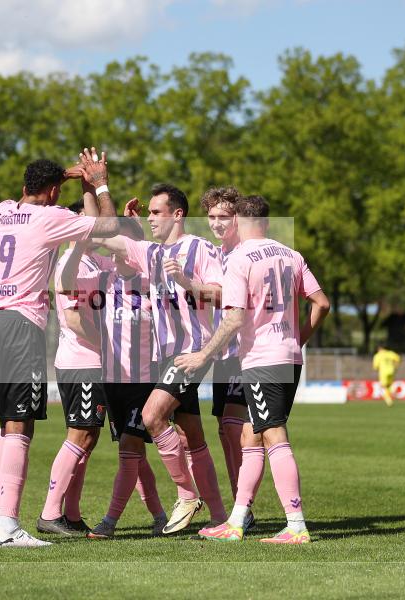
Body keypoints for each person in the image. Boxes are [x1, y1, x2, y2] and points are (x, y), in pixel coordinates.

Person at [0, 148, 119, 548]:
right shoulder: (50, 217)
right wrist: (98, 182)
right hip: (21, 324)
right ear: (55, 192)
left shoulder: (2, 209)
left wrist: (70, 177)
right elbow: (106, 226)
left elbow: (37, 191)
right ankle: (7, 527)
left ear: (25, 187)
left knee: (7, 426)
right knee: (21, 425)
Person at [176, 195, 330, 544]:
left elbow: (234, 317)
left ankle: (295, 525)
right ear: (266, 222)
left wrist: (203, 355)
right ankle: (236, 521)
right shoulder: (292, 254)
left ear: (240, 223)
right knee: (252, 435)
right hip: (288, 357)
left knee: (274, 433)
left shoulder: (240, 258)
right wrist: (298, 338)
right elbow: (322, 303)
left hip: (261, 360)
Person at [96, 184, 227, 535]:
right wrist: (98, 187)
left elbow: (222, 295)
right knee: (192, 436)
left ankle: (186, 495)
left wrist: (185, 280)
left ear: (178, 214)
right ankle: (218, 517)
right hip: (164, 354)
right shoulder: (150, 253)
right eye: (149, 213)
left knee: (153, 415)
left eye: (157, 212)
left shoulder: (199, 248)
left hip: (192, 351)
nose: (151, 218)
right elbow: (107, 237)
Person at [59, 216, 167, 540]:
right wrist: (80, 243)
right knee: (135, 453)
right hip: (113, 380)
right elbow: (66, 284)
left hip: (144, 380)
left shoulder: (154, 283)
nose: (120, 253)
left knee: (129, 450)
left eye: (127, 247)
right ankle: (161, 515)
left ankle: (109, 521)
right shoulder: (105, 279)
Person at [37, 195, 112, 537]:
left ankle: (72, 513)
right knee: (79, 434)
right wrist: (108, 347)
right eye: (88, 220)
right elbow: (74, 319)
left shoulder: (95, 261)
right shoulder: (73, 263)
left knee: (89, 437)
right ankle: (50, 513)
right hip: (81, 362)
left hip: (93, 362)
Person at [201, 187, 250, 525]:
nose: (217, 223)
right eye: (212, 217)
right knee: (224, 428)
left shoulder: (245, 253)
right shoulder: (217, 254)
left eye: (224, 217)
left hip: (244, 352)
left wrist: (188, 283)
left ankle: (241, 509)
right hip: (223, 352)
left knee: (235, 428)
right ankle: (240, 505)